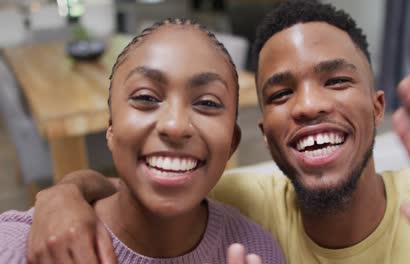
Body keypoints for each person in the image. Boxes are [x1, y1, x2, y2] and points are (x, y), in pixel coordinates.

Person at [22, 1, 410, 263]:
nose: (309, 105)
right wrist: (61, 198)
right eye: (280, 94)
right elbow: (127, 189)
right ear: (262, 133)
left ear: (377, 109)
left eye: (336, 80)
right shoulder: (239, 201)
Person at [0, 18, 286, 264]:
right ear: (110, 129)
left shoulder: (259, 251)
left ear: (232, 144)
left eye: (207, 103)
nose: (174, 126)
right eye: (146, 98)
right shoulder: (21, 247)